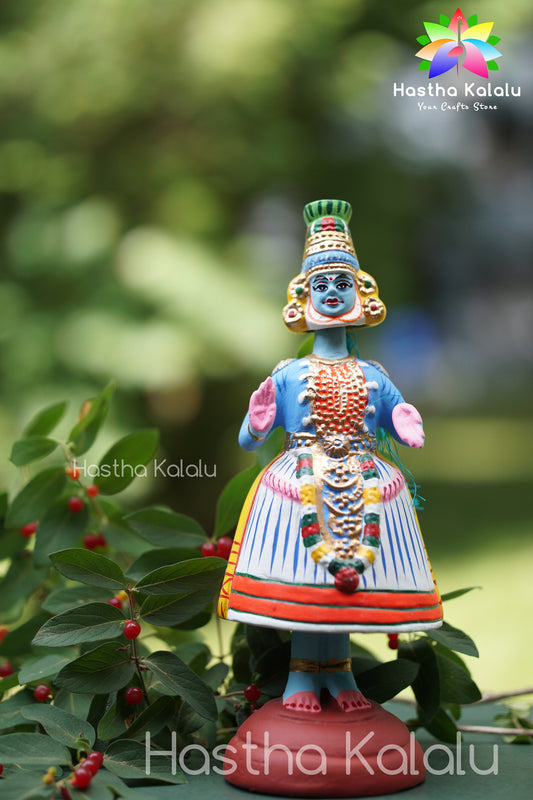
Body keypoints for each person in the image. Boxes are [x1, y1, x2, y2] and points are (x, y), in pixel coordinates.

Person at [218, 199, 442, 714]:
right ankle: (301, 675)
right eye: (321, 285)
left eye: (342, 283)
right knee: (308, 587)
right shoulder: (288, 375)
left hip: (366, 484)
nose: (333, 293)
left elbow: (395, 416)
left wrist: (404, 423)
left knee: (346, 592)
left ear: (361, 293)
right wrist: (257, 423)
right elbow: (249, 439)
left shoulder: (374, 375)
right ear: (304, 296)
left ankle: (340, 676)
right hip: (298, 485)